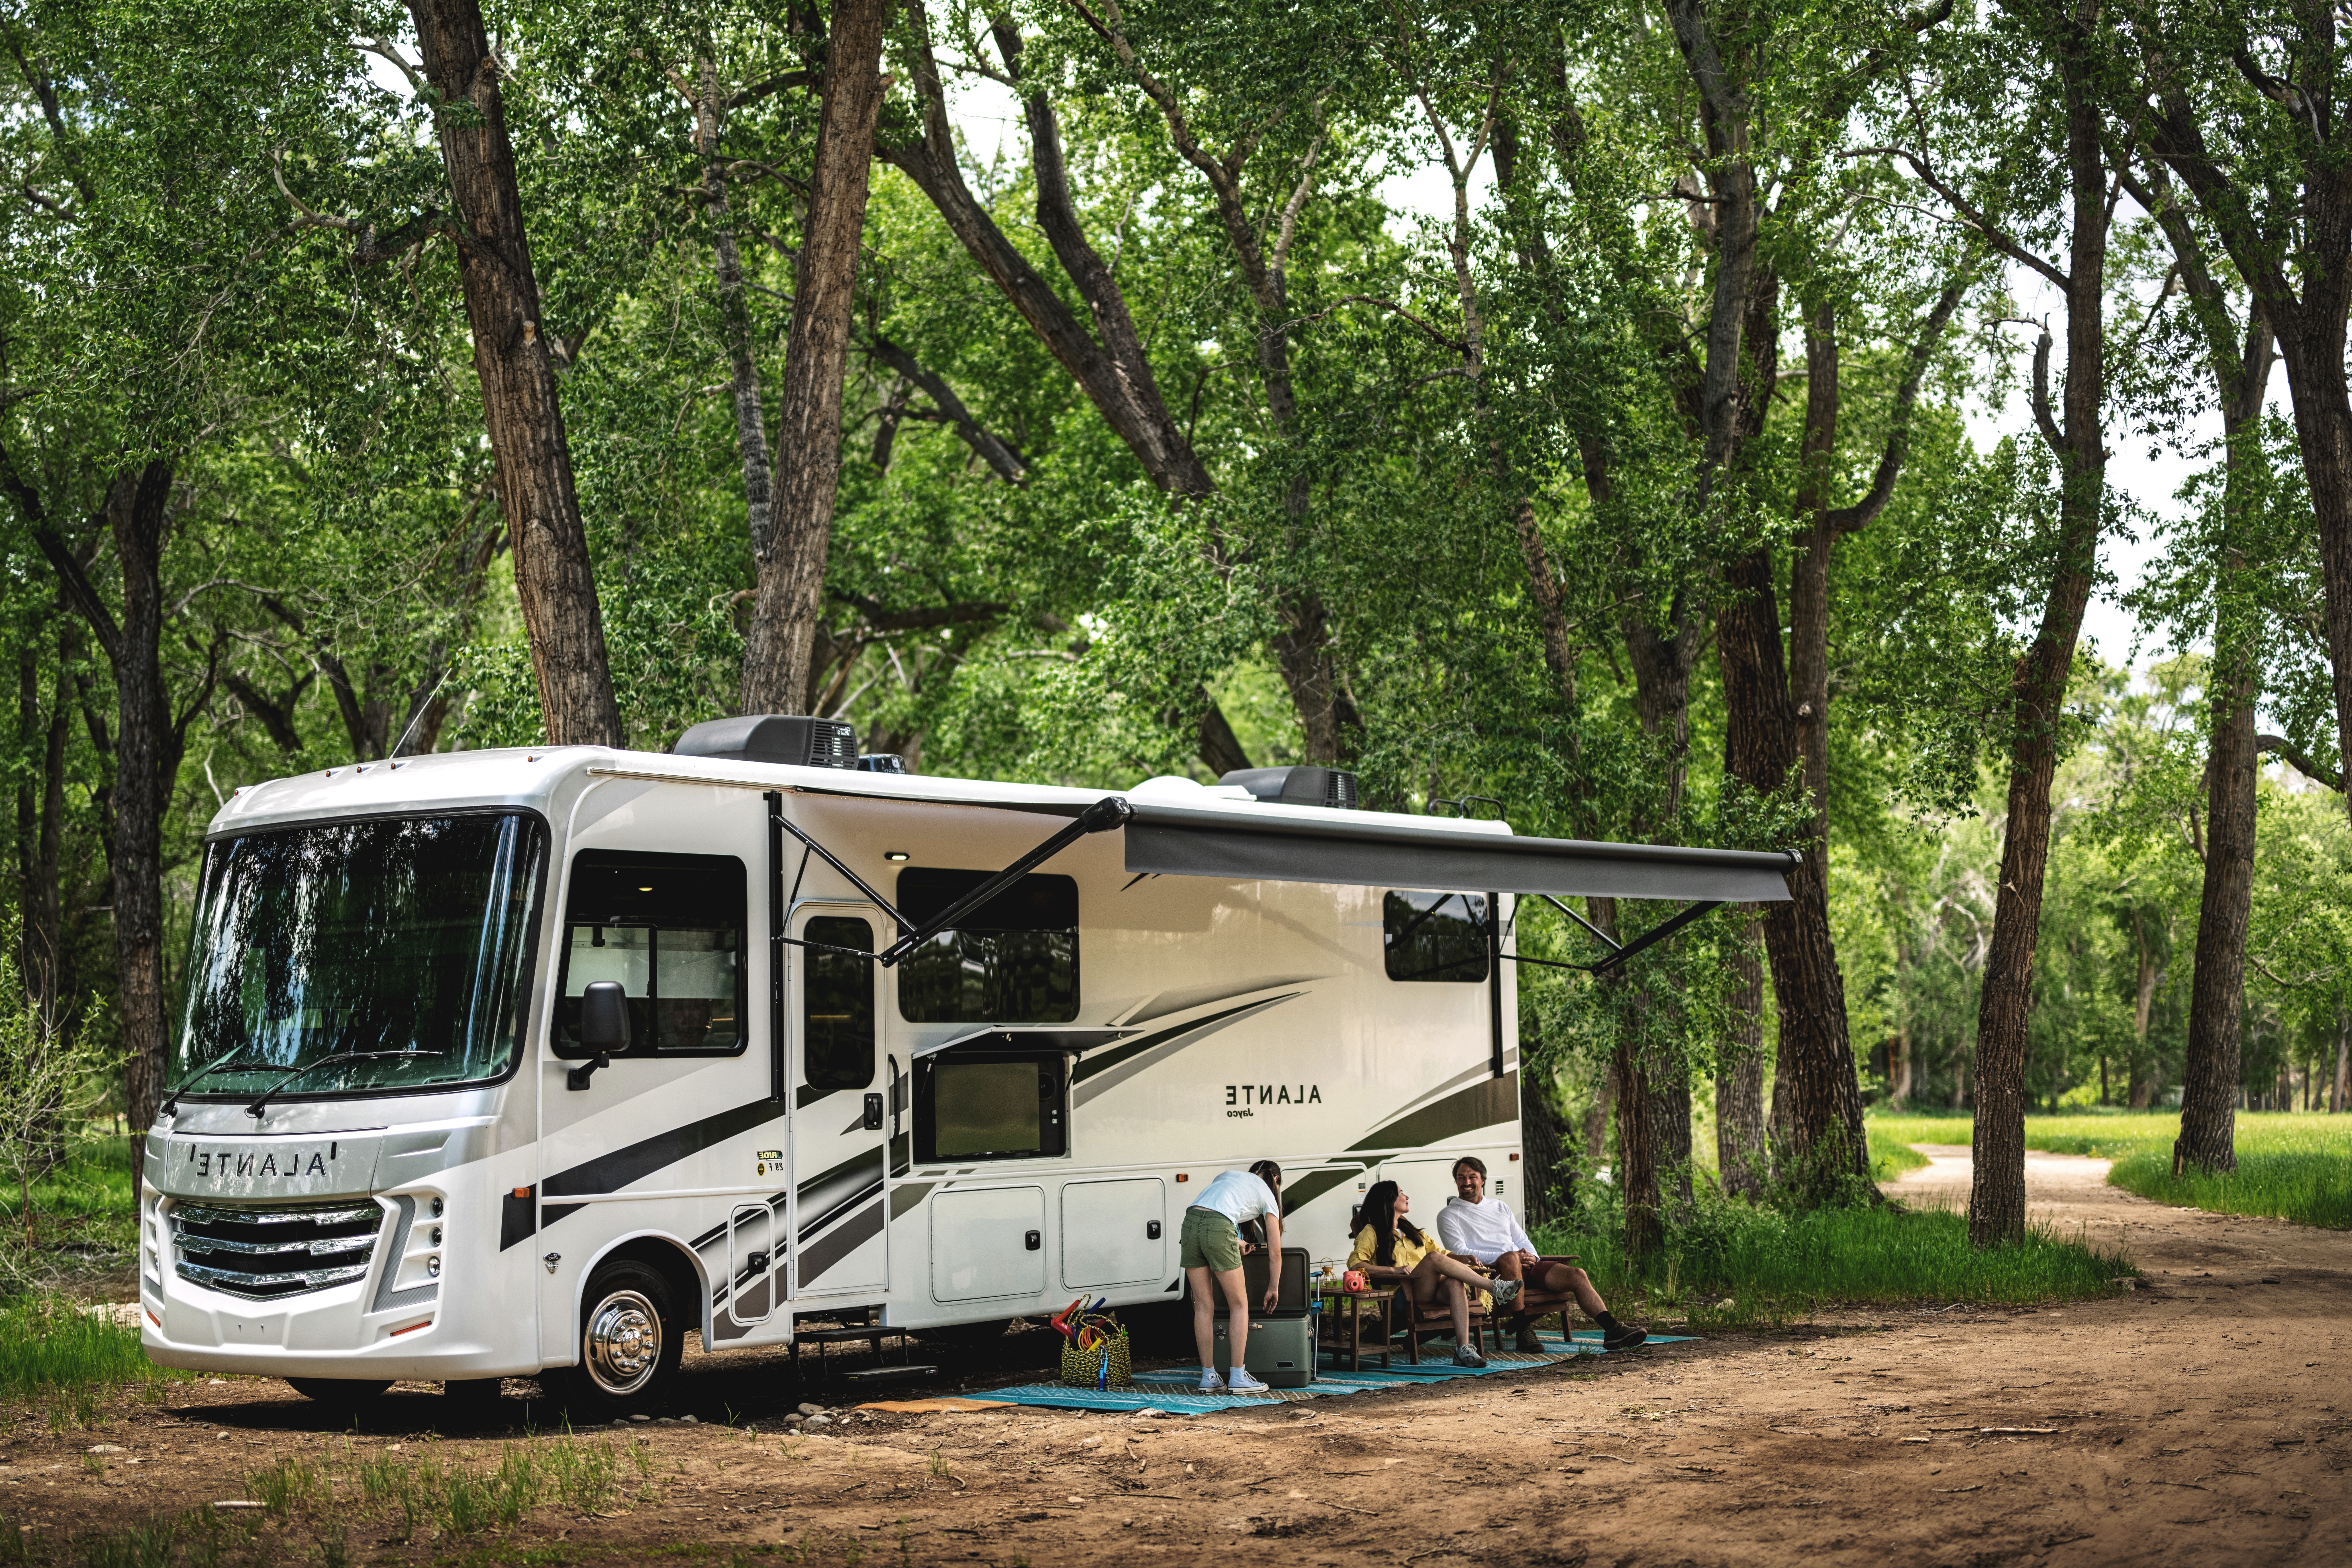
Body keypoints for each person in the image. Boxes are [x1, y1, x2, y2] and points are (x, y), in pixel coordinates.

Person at [1435, 1155, 1646, 1353]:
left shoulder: (1500, 1207)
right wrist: (1510, 1257)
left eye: (1473, 1177)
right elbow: (1460, 1252)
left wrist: (1532, 1257)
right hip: (1491, 1276)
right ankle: (1523, 1329)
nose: (1466, 1182)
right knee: (1509, 1258)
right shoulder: (1449, 1215)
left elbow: (1522, 1239)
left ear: (1483, 1181)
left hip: (1523, 1265)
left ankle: (1612, 1330)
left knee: (1577, 1275)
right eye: (1461, 1178)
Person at [1346, 1179, 1521, 1367]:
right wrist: (1393, 1270)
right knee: (1432, 1259)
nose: (1407, 1197)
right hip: (1402, 1296)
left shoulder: (1412, 1232)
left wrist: (1463, 1258)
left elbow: (1444, 1254)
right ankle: (1494, 1287)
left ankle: (1463, 1349)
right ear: (1389, 1200)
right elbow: (1356, 1265)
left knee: (1454, 1283)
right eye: (1401, 1193)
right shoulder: (1372, 1232)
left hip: (1429, 1290)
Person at [1181, 1161, 1285, 1393]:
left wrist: (1236, 1242)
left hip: (1189, 1224)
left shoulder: (1229, 1175)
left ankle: (1209, 1377)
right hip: (1217, 1228)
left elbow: (1209, 1214)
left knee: (1204, 1306)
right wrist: (1273, 1288)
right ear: (1276, 1180)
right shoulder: (1268, 1195)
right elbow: (1275, 1253)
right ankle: (1238, 1376)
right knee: (1239, 1305)